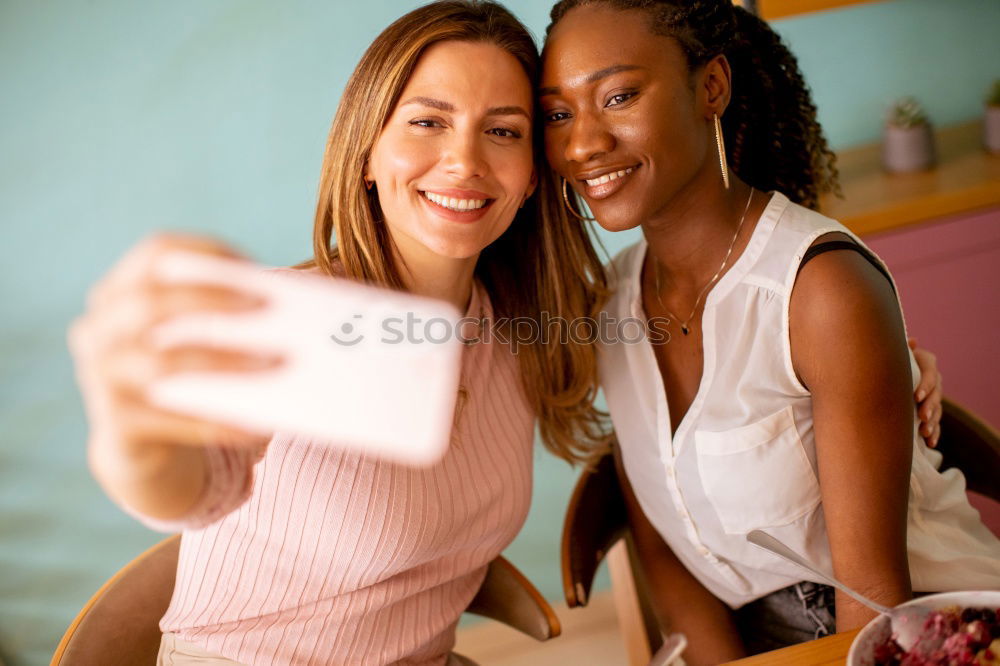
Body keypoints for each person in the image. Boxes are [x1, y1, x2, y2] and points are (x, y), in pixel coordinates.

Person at [66, 2, 610, 664]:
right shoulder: (287, 323)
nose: (464, 160)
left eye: (501, 132)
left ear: (530, 177)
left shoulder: (517, 324)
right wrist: (134, 438)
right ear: (367, 155)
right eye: (427, 122)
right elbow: (187, 488)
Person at [538, 0, 1000, 663]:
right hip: (754, 634)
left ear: (711, 87)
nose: (583, 143)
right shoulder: (611, 303)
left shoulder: (821, 291)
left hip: (915, 630)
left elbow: (874, 599)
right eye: (559, 114)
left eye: (618, 96)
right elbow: (663, 546)